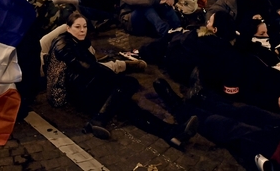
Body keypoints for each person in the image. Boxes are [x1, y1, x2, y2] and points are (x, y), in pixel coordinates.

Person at [46, 12, 197, 147]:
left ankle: (171, 133)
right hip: (66, 94)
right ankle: (99, 118)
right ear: (68, 28)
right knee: (126, 85)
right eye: (77, 27)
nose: (82, 30)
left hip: (82, 84)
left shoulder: (80, 42)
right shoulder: (63, 44)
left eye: (84, 26)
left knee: (128, 105)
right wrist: (113, 77)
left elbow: (92, 68)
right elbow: (87, 67)